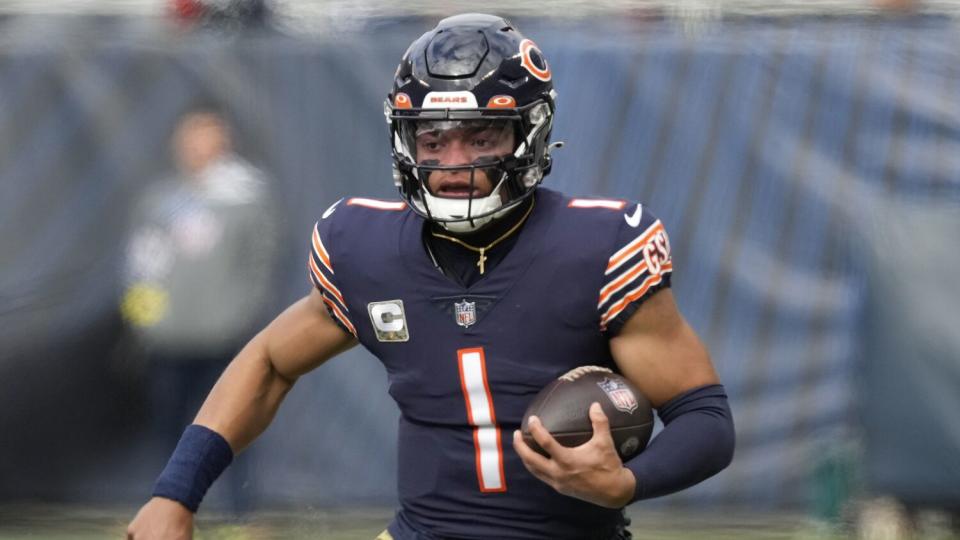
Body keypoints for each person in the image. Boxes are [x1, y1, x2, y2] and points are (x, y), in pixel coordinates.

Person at [127, 14, 734, 540]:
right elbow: (268, 362)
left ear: (532, 134)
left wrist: (626, 482)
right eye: (432, 138)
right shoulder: (362, 246)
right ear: (403, 140)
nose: (453, 163)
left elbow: (705, 416)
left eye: (482, 136)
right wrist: (177, 490)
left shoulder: (599, 247)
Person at [121, 102, 278, 514]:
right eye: (192, 133)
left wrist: (238, 318)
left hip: (225, 338)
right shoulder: (159, 200)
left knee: (233, 426)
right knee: (168, 429)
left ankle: (241, 511)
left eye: (209, 132)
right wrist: (146, 323)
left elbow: (261, 263)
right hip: (168, 340)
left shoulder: (248, 196)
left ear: (224, 138)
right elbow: (141, 265)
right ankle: (167, 509)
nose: (199, 143)